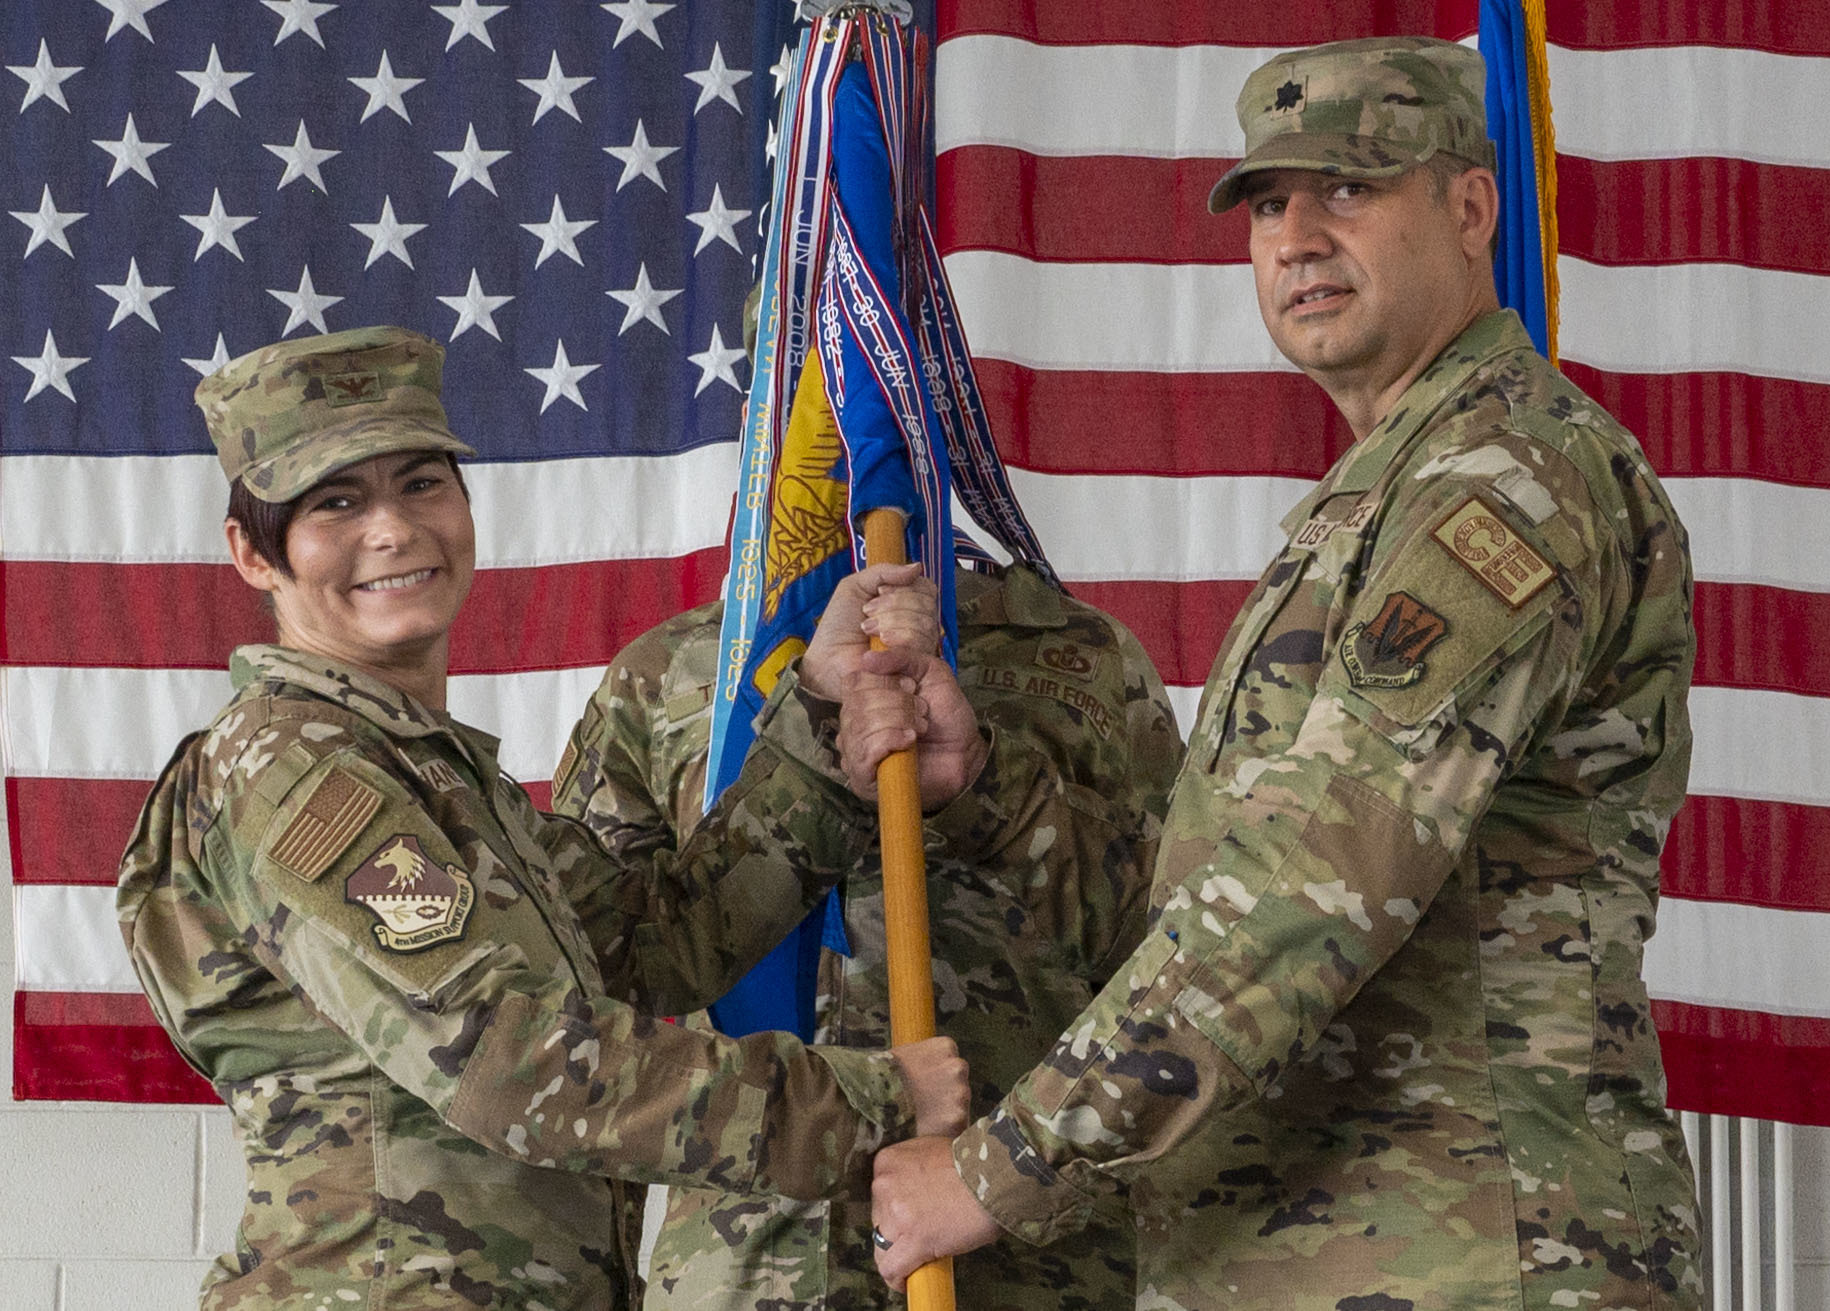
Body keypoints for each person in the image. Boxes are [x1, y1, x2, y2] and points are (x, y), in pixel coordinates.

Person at [858, 36, 1703, 1311]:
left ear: (1471, 209)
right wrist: (987, 798)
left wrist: (1004, 1167)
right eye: (1267, 203)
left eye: (1350, 189)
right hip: (1319, 1253)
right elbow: (1213, 884)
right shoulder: (1378, 503)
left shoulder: (1507, 483)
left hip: (1475, 1255)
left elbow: (1319, 880)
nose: (1297, 236)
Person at [115, 325, 968, 1310]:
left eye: (422, 483)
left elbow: (662, 945)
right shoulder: (298, 772)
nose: (391, 529)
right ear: (253, 554)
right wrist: (868, 1103)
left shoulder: (437, 780)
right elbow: (513, 1065)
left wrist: (818, 715)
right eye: (335, 503)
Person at [552, 559, 1182, 1309]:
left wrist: (992, 788)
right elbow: (591, 1006)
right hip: (743, 1265)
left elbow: (1178, 958)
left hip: (1028, 1254)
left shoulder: (1087, 654)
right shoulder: (667, 673)